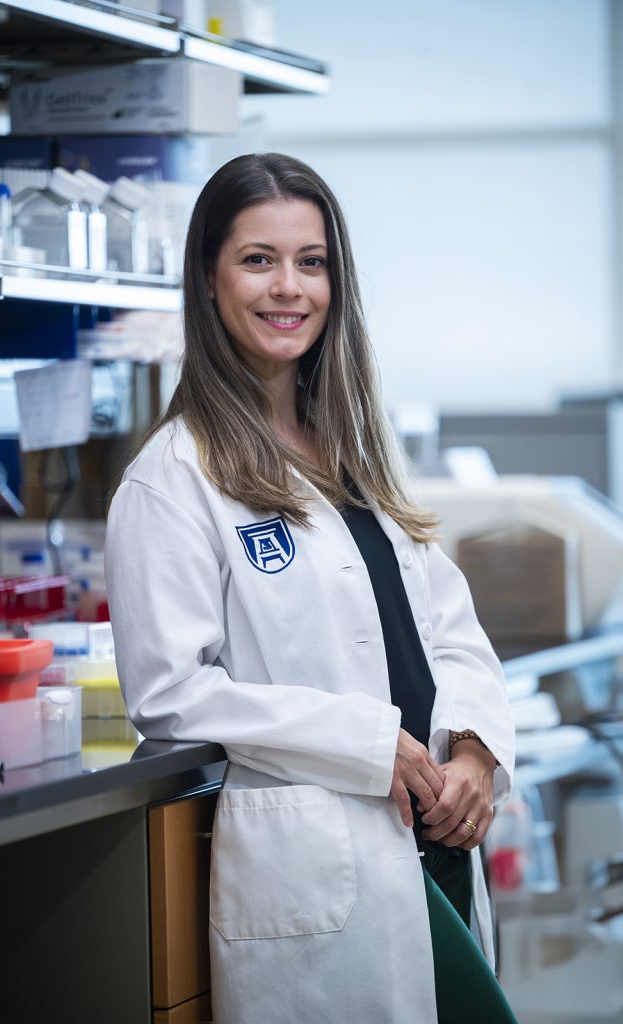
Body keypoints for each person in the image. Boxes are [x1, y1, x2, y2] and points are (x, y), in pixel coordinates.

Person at [105, 152, 519, 1024]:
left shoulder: (352, 451)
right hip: (327, 859)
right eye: (258, 259)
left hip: (436, 836)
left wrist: (478, 748)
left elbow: (446, 624)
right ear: (209, 279)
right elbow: (170, 695)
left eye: (311, 261)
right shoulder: (173, 478)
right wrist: (373, 743)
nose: (288, 287)